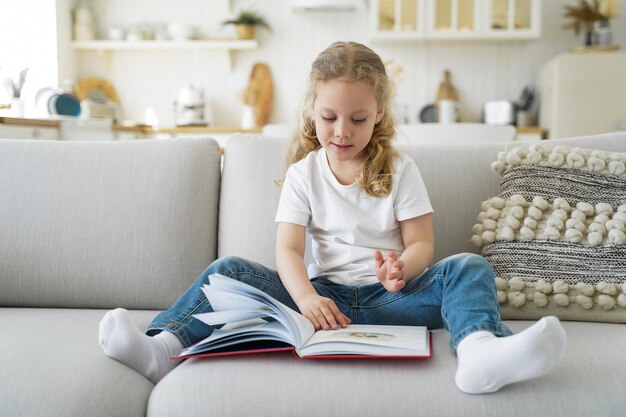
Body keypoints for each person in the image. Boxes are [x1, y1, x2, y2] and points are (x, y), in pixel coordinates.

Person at [99, 41, 566, 394]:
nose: (342, 132)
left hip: (393, 301)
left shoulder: (399, 169)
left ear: (379, 113)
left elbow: (423, 241)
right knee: (228, 271)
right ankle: (161, 348)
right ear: (312, 112)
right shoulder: (303, 174)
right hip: (321, 300)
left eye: (358, 119)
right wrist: (304, 298)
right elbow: (287, 250)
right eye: (330, 118)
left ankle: (479, 352)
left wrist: (404, 267)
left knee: (468, 266)